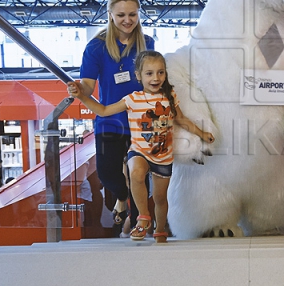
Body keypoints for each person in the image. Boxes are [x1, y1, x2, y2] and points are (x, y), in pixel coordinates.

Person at [69, 50, 214, 243]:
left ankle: (160, 229)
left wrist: (202, 134)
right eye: (149, 73)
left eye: (160, 72)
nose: (156, 78)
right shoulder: (132, 99)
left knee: (161, 198)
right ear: (138, 76)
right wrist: (81, 97)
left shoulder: (169, 96)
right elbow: (103, 111)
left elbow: (181, 119)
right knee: (136, 173)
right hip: (139, 151)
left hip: (163, 155)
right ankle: (143, 217)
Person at [67, 0, 154, 227]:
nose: (128, 20)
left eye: (133, 14)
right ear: (110, 15)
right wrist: (78, 90)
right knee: (107, 174)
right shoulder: (96, 47)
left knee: (140, 175)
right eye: (121, 15)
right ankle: (122, 198)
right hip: (110, 120)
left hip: (141, 121)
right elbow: (87, 85)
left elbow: (154, 79)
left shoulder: (147, 43)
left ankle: (139, 223)